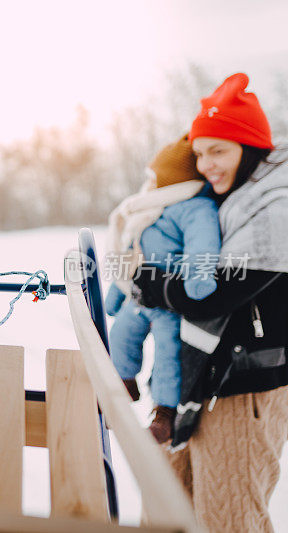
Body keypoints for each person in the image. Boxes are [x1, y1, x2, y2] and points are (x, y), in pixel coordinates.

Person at [133, 72, 288, 533]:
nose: (206, 164)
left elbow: (211, 294)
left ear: (251, 147)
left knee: (229, 520)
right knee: (165, 513)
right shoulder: (224, 197)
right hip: (195, 379)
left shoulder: (274, 207)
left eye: (218, 150)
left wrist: (147, 280)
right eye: (199, 153)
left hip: (244, 389)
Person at [105, 135, 221, 443]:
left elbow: (203, 245)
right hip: (139, 295)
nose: (150, 182)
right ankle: (124, 384)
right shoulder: (148, 208)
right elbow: (129, 252)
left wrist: (198, 279)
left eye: (157, 177)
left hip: (168, 301)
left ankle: (164, 412)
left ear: (174, 180)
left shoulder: (196, 207)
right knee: (120, 335)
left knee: (169, 354)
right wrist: (115, 295)